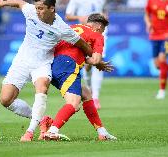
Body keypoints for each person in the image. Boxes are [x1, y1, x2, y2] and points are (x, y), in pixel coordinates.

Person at [0, 0, 93, 142]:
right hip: (22, 60)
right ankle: (41, 119)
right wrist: (2, 3)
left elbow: (83, 45)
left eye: (40, 8)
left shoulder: (62, 28)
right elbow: (20, 3)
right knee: (5, 100)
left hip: (43, 63)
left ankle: (29, 132)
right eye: (36, 7)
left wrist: (95, 58)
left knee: (42, 87)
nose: (37, 11)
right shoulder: (31, 11)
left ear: (51, 8)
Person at [40, 13, 116, 141]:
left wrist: (94, 61)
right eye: (102, 30)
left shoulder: (73, 27)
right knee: (74, 104)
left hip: (52, 66)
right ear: (98, 26)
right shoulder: (97, 35)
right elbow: (96, 59)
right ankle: (52, 130)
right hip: (68, 66)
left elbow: (78, 53)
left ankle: (102, 132)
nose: (102, 33)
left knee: (85, 93)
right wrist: (99, 63)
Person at [65, 0, 108, 109]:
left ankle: (95, 97)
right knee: (88, 66)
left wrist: (103, 19)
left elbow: (106, 14)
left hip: (99, 34)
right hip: (83, 36)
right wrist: (80, 18)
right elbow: (68, 15)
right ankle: (89, 90)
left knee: (98, 61)